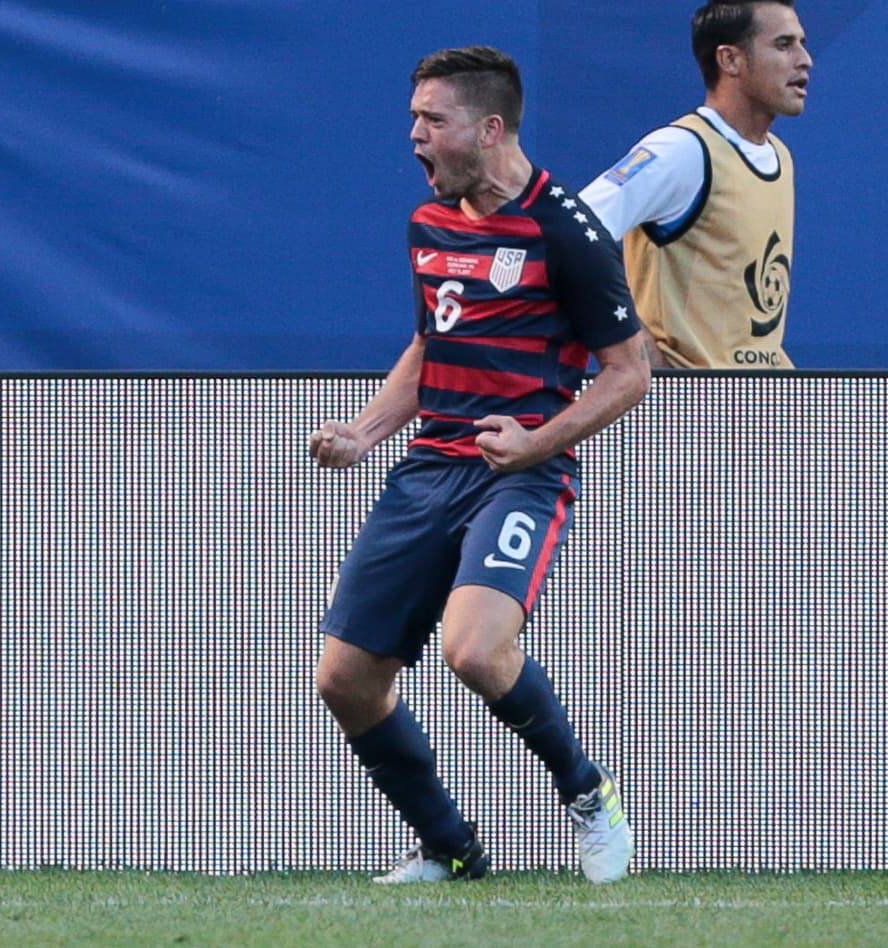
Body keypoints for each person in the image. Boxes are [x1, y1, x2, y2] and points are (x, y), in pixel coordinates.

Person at [309, 46, 649, 884]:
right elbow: (433, 344)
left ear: (489, 128)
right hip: (428, 470)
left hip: (522, 473)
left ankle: (588, 794)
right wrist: (365, 432)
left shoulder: (564, 229)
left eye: (433, 121)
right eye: (414, 118)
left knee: (475, 649)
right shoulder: (429, 224)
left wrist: (536, 444)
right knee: (345, 681)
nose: (415, 137)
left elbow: (629, 371)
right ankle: (450, 849)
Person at [580, 1, 813, 369]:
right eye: (784, 45)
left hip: (763, 406)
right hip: (689, 416)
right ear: (730, 60)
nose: (805, 59)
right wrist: (634, 344)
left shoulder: (779, 155)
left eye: (802, 43)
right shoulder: (684, 149)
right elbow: (572, 236)